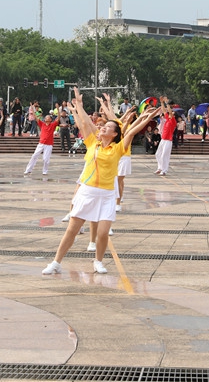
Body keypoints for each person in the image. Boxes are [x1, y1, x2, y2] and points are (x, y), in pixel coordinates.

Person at [42, 87, 158, 275]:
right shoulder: (92, 143)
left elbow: (131, 131)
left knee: (103, 233)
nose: (103, 127)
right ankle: (56, 262)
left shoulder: (118, 149)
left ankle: (98, 261)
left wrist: (147, 117)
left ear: (114, 134)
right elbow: (85, 122)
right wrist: (79, 105)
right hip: (87, 192)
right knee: (71, 230)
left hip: (106, 195)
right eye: (103, 126)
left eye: (108, 127)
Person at [154, 97, 175, 176]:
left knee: (164, 156)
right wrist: (162, 102)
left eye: (172, 113)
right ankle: (160, 168)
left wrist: (167, 103)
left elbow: (169, 112)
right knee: (158, 154)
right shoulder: (167, 119)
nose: (170, 113)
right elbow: (164, 110)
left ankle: (164, 170)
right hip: (163, 139)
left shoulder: (173, 121)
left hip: (168, 141)